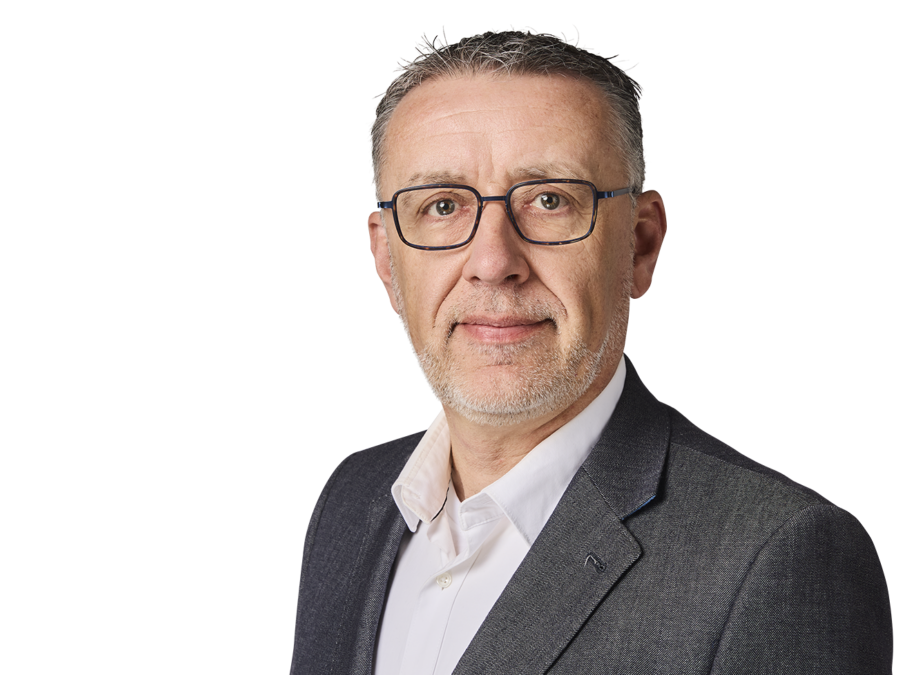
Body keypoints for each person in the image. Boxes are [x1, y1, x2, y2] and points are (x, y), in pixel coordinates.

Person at [291, 26, 892, 674]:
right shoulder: (352, 498)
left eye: (550, 200)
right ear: (386, 259)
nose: (492, 262)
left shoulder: (777, 556)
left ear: (640, 244)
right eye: (441, 206)